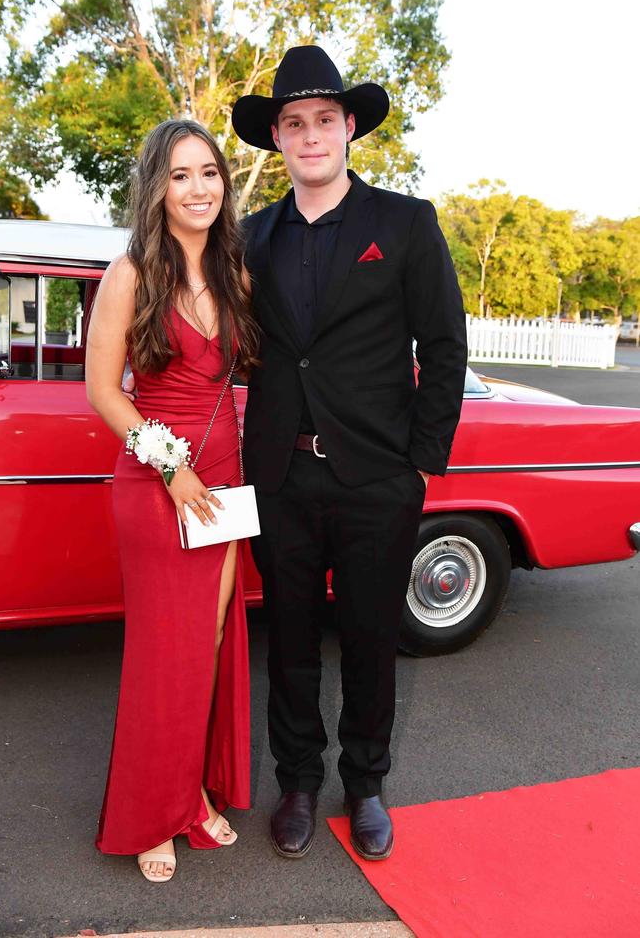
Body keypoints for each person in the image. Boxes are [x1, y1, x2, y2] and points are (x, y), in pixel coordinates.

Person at [231, 46, 467, 861]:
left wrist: (421, 464)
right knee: (289, 640)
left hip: (377, 479)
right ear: (277, 139)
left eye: (323, 120)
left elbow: (443, 346)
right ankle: (298, 780)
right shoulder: (250, 237)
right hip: (281, 475)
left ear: (349, 127)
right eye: (292, 123)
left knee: (370, 638)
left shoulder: (405, 223)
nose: (309, 136)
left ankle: (365, 784)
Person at [86, 118, 258, 882]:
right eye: (182, 175)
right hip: (162, 487)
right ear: (158, 186)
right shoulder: (131, 272)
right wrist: (171, 469)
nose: (199, 189)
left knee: (211, 649)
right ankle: (152, 816)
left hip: (223, 482)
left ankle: (188, 794)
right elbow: (102, 392)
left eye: (210, 173)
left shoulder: (235, 272)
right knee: (166, 656)